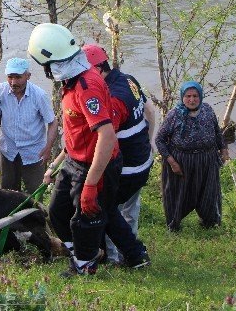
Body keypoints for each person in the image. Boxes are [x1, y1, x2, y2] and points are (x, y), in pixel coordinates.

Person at [28, 23, 150, 276]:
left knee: (87, 215)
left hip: (94, 164)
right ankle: (95, 253)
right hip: (74, 160)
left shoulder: (87, 88)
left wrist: (92, 184)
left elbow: (106, 136)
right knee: (58, 211)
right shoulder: (72, 81)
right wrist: (57, 163)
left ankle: (85, 264)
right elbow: (77, 131)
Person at [80, 44, 155, 264]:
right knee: (131, 208)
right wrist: (149, 141)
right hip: (142, 160)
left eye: (86, 72)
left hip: (126, 167)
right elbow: (149, 110)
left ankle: (114, 256)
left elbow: (105, 137)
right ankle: (125, 251)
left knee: (109, 210)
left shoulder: (111, 98)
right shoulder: (129, 80)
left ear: (98, 69)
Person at [155, 81, 229, 231]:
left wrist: (224, 149)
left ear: (200, 96)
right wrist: (171, 162)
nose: (192, 99)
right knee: (177, 193)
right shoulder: (174, 114)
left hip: (207, 160)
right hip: (181, 161)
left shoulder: (207, 110)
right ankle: (174, 225)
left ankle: (210, 223)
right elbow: (159, 139)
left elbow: (216, 132)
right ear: (182, 97)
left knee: (209, 191)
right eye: (188, 96)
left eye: (195, 96)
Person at [0, 57, 59, 194]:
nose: (13, 82)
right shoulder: (0, 91)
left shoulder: (39, 95)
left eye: (18, 77)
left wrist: (48, 148)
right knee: (7, 193)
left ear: (28, 76)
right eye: (10, 77)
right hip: (9, 151)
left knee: (34, 193)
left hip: (33, 153)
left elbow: (52, 122)